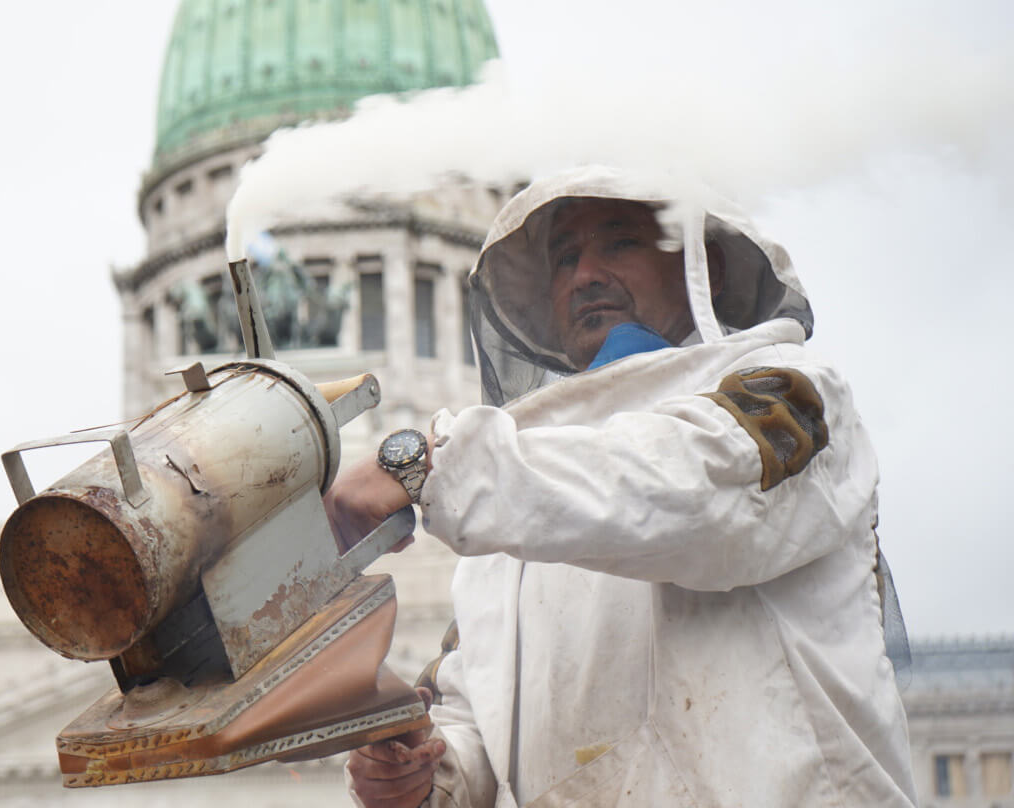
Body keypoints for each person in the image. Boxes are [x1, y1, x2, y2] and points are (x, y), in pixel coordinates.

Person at [325, 165, 917, 807]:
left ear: (702, 266)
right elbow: (475, 729)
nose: (585, 275)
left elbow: (687, 491)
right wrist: (417, 771)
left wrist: (420, 464)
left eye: (619, 243)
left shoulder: (792, 393)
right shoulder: (507, 506)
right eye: (566, 258)